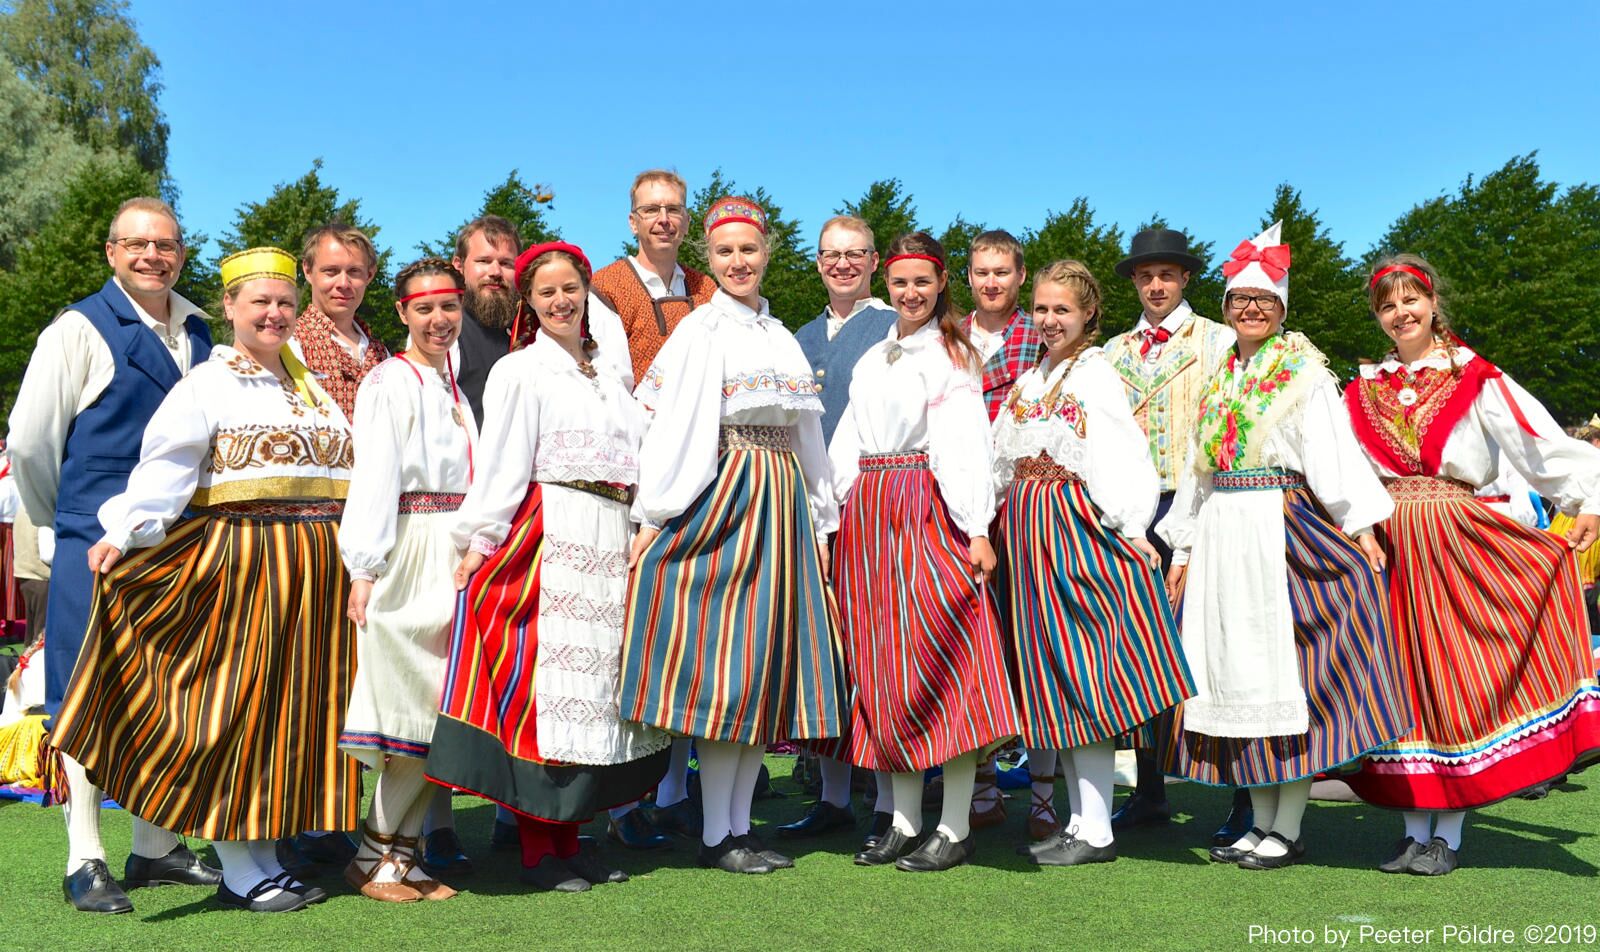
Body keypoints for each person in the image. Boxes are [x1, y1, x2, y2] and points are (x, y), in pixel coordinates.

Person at [50, 247, 359, 913]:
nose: (274, 313)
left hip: (315, 577)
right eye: (260, 303)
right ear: (230, 309)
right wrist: (123, 530)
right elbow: (165, 470)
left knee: (290, 717)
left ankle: (268, 852)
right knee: (238, 716)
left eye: (282, 302)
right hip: (245, 569)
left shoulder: (309, 388)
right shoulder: (207, 386)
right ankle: (240, 868)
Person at [1158, 222, 1409, 870]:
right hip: (1221, 535)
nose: (1250, 309)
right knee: (1237, 675)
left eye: (1263, 300)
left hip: (1279, 526)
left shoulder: (1303, 371)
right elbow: (1196, 470)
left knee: (1283, 674)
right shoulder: (1219, 379)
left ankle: (1288, 825)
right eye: (1240, 299)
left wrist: (1359, 525)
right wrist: (1182, 549)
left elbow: (1332, 450)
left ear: (1280, 310)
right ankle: (1260, 819)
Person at [1342, 254, 1600, 875]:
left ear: (1432, 303)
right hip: (1388, 547)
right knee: (1401, 684)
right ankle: (1412, 831)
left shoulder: (1475, 376)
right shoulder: (1362, 388)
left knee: (1457, 675)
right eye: (1387, 306)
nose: (1401, 314)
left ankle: (1448, 836)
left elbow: (1535, 441)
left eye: (1410, 301)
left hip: (1456, 537)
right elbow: (1343, 470)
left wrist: (1588, 497)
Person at [428, 241, 670, 892]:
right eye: (546, 293)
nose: (562, 301)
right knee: (546, 695)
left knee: (594, 700)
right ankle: (540, 845)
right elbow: (504, 462)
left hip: (610, 537)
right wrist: (480, 543)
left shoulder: (610, 375)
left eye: (571, 289)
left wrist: (644, 523)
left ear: (586, 293)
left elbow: (641, 460)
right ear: (529, 304)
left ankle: (576, 837)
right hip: (552, 531)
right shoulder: (520, 371)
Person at [619, 197, 846, 875]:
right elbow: (678, 426)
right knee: (730, 674)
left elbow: (807, 435)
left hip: (781, 504)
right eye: (724, 253)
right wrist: (655, 516)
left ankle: (738, 825)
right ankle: (720, 833)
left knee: (761, 676)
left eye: (748, 250)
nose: (738, 262)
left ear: (767, 252)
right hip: (731, 497)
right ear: (709, 259)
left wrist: (821, 512)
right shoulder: (701, 331)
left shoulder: (779, 336)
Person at [6, 196, 219, 914]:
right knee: (85, 694)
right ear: (111, 253)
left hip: (177, 541)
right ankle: (85, 856)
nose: (151, 256)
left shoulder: (201, 329)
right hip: (92, 541)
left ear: (181, 254)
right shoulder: (75, 329)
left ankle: (156, 846)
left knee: (166, 694)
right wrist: (61, 524)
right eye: (136, 245)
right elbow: (33, 443)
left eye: (164, 245)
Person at [829, 231, 1019, 872]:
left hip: (924, 506)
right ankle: (905, 821)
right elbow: (848, 439)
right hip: (870, 514)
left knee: (946, 660)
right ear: (889, 285)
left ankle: (956, 823)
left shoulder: (951, 353)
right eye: (901, 282)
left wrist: (976, 527)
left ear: (941, 286)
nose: (911, 293)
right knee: (886, 665)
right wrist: (832, 517)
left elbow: (963, 443)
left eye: (923, 282)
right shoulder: (875, 355)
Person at [993, 260, 1194, 866]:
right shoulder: (1032, 380)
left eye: (1063, 310)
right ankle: (1081, 821)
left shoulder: (1096, 374)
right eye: (1043, 309)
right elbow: (1002, 458)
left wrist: (1132, 526)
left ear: (1088, 315)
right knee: (1054, 682)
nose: (1050, 320)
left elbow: (1120, 453)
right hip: (1027, 535)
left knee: (1083, 676)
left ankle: (1098, 829)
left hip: (1072, 528)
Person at [335, 257, 476, 902]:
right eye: (424, 308)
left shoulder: (452, 385)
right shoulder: (390, 380)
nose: (438, 319)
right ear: (401, 312)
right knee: (410, 713)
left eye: (448, 306)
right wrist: (365, 567)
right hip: (409, 547)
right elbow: (376, 477)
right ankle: (373, 856)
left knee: (440, 714)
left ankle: (406, 856)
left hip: (452, 550)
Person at [1101, 227, 1241, 841]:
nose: (1155, 285)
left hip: (1202, 504)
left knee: (1215, 645)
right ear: (1134, 282)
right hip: (1132, 509)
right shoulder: (1110, 351)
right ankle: (1151, 789)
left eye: (1167, 275)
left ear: (1186, 279)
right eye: (1144, 275)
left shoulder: (1220, 340)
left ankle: (1244, 790)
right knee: (1139, 649)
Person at [778, 214, 897, 843]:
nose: (842, 264)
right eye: (831, 255)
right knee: (823, 647)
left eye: (855, 254)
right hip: (809, 507)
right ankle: (831, 794)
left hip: (874, 504)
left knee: (875, 647)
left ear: (874, 260)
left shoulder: (891, 327)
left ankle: (883, 797)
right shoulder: (797, 337)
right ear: (818, 262)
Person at [958, 229, 1046, 833]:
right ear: (968, 278)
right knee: (976, 646)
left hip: (1022, 504)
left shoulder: (1041, 336)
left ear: (1019, 277)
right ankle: (984, 786)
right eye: (982, 272)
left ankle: (1042, 791)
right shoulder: (946, 337)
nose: (992, 281)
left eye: (1002, 272)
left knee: (1032, 644)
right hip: (961, 507)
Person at [589, 169, 718, 387]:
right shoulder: (606, 287)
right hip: (633, 418)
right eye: (650, 210)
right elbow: (609, 381)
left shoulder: (706, 289)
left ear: (686, 221)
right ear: (633, 222)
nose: (664, 220)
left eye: (674, 210)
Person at [290, 223, 391, 422]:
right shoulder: (289, 344)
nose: (343, 284)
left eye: (354, 272)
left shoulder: (382, 355)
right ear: (308, 271)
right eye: (331, 271)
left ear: (369, 275)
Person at [451, 214, 523, 429]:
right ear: (459, 265)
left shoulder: (529, 333)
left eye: (506, 263)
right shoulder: (444, 333)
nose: (495, 272)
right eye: (483, 261)